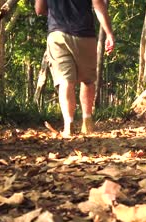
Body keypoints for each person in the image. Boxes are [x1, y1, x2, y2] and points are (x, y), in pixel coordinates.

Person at [35, 0, 115, 137]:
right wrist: (109, 33)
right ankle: (87, 121)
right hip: (84, 35)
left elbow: (39, 9)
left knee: (65, 81)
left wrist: (57, 15)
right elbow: (98, 5)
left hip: (57, 34)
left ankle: (68, 124)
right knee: (88, 80)